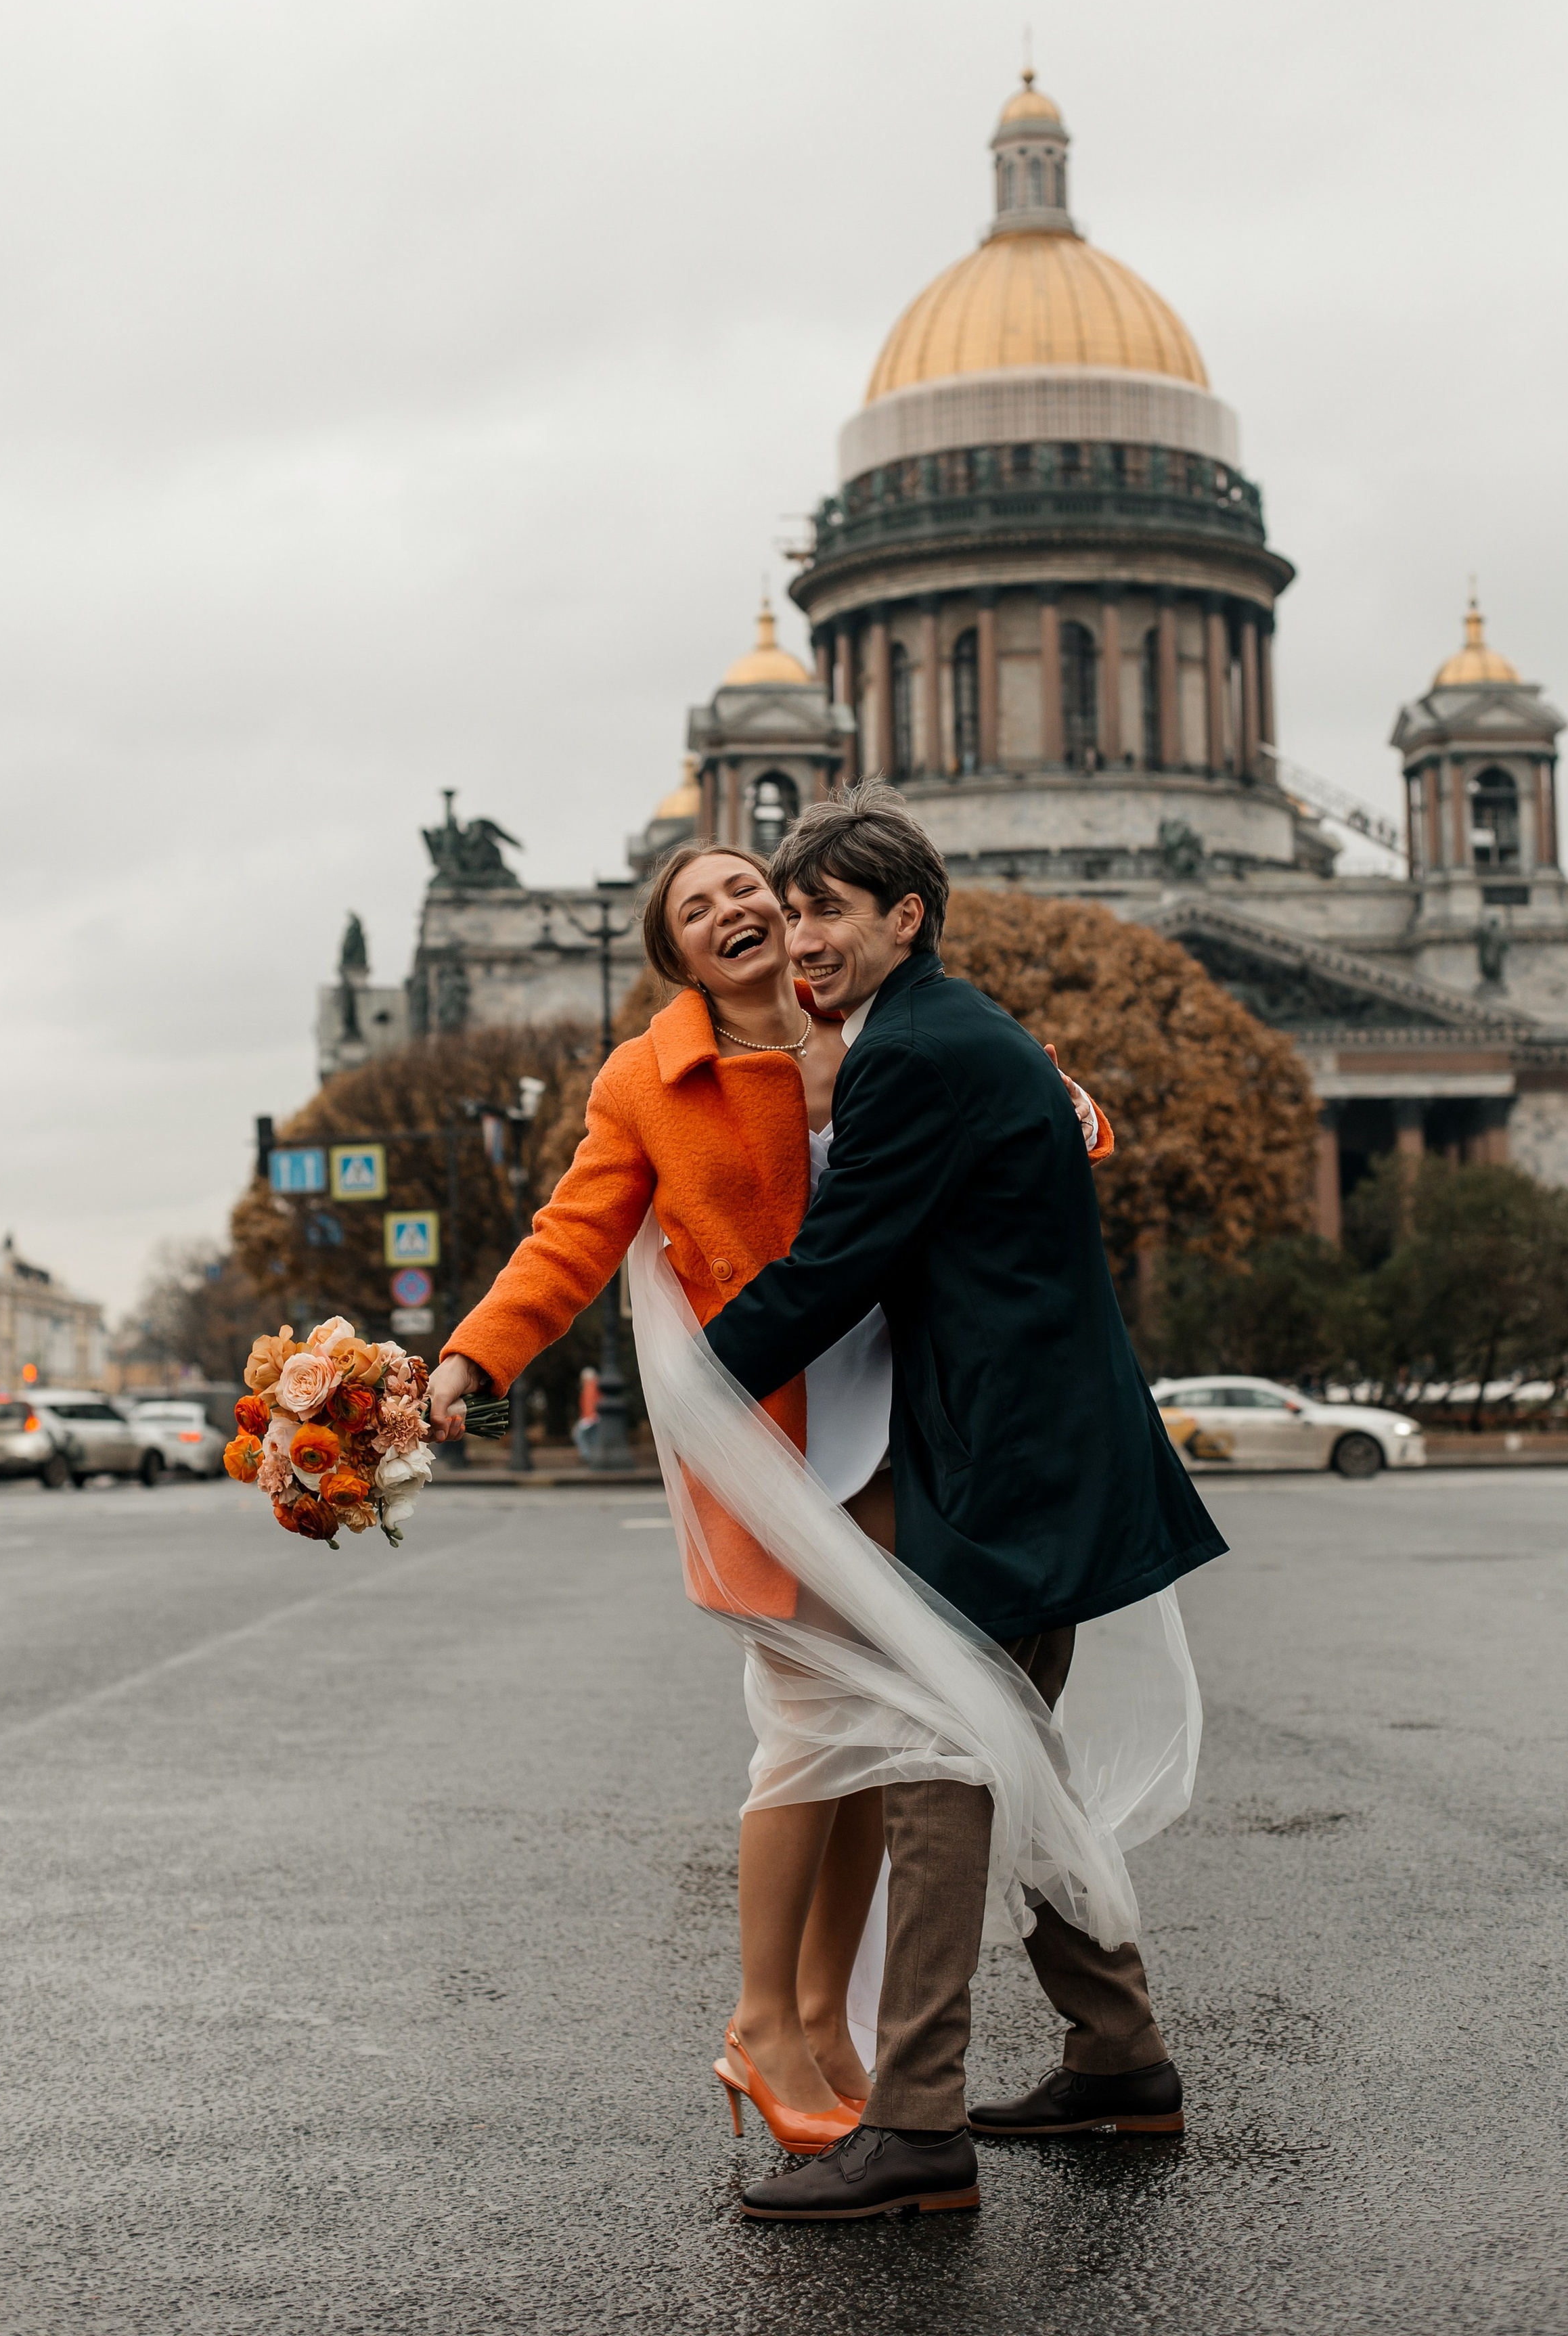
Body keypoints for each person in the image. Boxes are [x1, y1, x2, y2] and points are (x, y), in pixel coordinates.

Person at [426, 834, 1118, 2161]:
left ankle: (825, 2016)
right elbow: (568, 1240)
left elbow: (1028, 1107)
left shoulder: (869, 1016)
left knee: (879, 1731)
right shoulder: (648, 1079)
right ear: (674, 951)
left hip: (908, 1415)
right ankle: (760, 2020)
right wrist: (466, 1363)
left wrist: (1059, 1102)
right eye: (701, 905)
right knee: (806, 1730)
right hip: (770, 1419)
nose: (737, 908)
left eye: (752, 886)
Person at [698, 782, 1228, 2224]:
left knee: (936, 1769)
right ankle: (1118, 2060)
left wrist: (689, 1384)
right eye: (787, 908)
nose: (798, 936)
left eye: (823, 910)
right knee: (1021, 1762)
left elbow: (840, 1264)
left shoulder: (913, 1056)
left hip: (1009, 1469)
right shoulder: (951, 1029)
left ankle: (916, 2126)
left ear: (903, 918)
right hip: (1039, 1453)